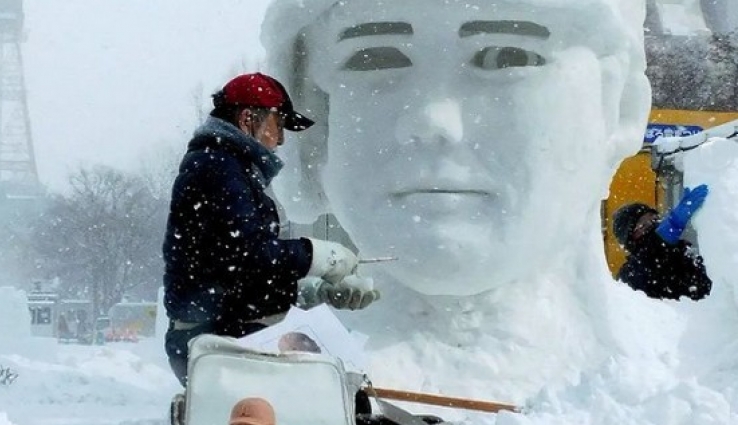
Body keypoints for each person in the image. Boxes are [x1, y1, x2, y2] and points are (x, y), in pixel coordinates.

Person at [261, 0, 658, 402]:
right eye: (376, 57)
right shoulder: (252, 382)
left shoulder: (693, 385)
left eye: (507, 56)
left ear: (618, 107)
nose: (432, 121)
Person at [162, 72, 381, 386]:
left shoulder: (224, 166)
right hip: (217, 341)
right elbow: (246, 255)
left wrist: (310, 292)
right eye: (278, 125)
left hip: (217, 334)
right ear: (248, 118)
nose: (280, 139)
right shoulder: (219, 168)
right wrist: (320, 255)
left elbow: (235, 273)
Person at [612, 185, 712, 301]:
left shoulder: (681, 250)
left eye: (654, 219)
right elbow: (649, 260)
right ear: (631, 239)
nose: (652, 225)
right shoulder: (629, 275)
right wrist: (669, 230)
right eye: (643, 225)